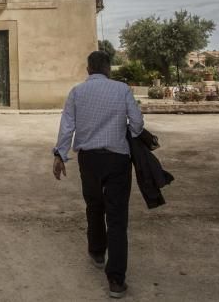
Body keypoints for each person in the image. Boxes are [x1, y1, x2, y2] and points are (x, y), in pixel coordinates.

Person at [53, 50, 144, 299]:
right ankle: (116, 280)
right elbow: (136, 124)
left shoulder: (77, 92)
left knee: (94, 205)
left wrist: (60, 155)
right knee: (116, 217)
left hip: (89, 159)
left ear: (88, 69)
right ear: (108, 69)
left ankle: (96, 252)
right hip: (117, 159)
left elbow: (67, 125)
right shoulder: (122, 89)